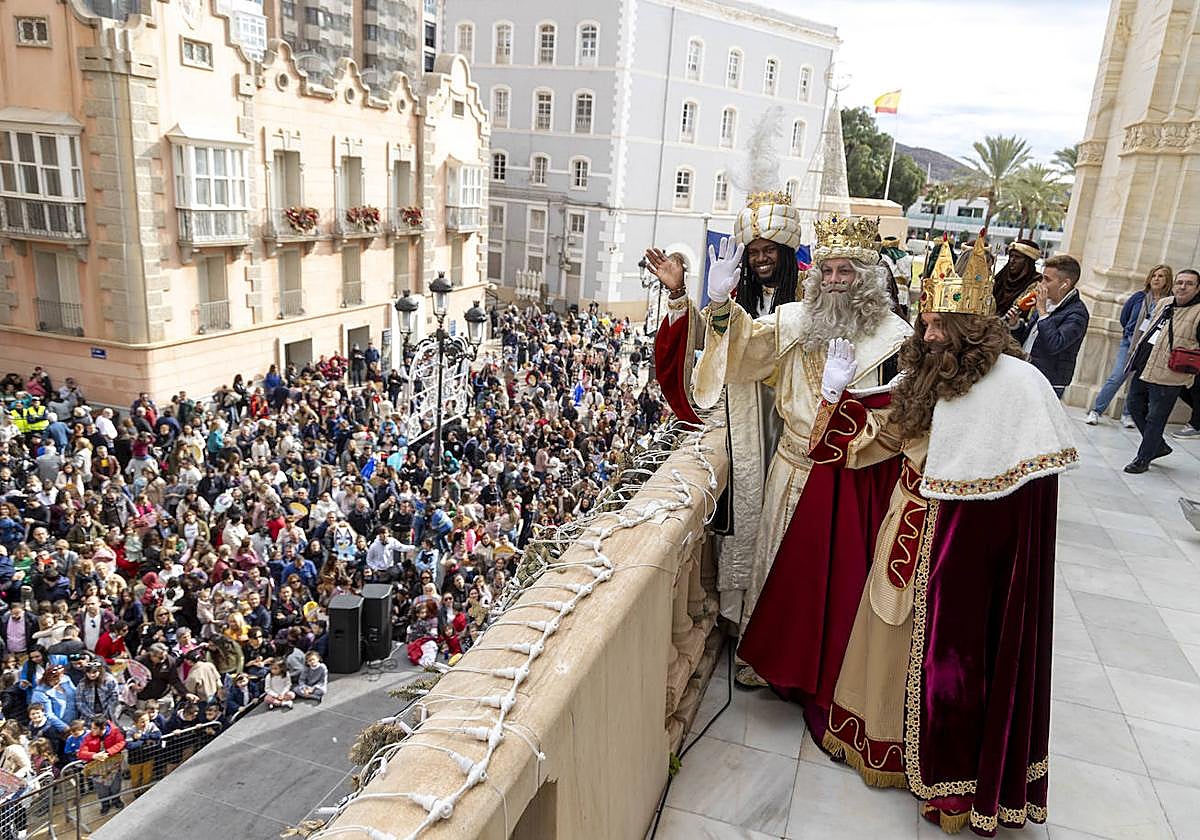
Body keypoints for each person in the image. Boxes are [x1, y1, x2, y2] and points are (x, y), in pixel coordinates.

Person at [811, 235, 1076, 833]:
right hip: (905, 531)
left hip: (969, 561)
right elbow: (871, 442)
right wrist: (836, 400)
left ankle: (950, 777)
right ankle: (885, 748)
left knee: (955, 665)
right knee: (887, 640)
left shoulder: (1019, 386)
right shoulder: (926, 382)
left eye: (938, 328)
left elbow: (1029, 501)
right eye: (924, 325)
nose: (926, 338)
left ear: (970, 331)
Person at [678, 215, 912, 695]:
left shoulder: (894, 338)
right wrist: (720, 305)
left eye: (844, 272)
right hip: (790, 467)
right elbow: (745, 351)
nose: (833, 282)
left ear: (865, 279)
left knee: (830, 577)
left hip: (848, 475)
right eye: (826, 272)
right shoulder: (795, 320)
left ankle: (825, 668)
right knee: (779, 566)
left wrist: (842, 404)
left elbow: (900, 417)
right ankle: (767, 659)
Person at [1122, 268, 1200, 474]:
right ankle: (1157, 445)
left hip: (1170, 373)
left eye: (1189, 283)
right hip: (1145, 364)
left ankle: (1143, 458)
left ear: (1197, 288)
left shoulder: (1198, 311)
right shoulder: (1164, 303)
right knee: (1134, 404)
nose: (1182, 286)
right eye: (1179, 282)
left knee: (1156, 417)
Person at [1086, 264, 1172, 427]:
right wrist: (1131, 333)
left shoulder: (1170, 302)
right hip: (1130, 343)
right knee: (1117, 377)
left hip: (1152, 347)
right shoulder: (1139, 297)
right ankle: (1096, 411)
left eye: (1161, 276)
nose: (1156, 279)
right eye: (1154, 275)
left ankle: (1128, 414)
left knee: (1138, 382)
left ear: (1167, 280)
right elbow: (1125, 317)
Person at [1006, 254, 1090, 398]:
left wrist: (1043, 312)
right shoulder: (1047, 301)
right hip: (1027, 373)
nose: (1041, 284)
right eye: (1042, 278)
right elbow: (1030, 338)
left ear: (1065, 284)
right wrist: (1015, 325)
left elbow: (1055, 344)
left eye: (1047, 279)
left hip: (1048, 382)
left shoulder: (1077, 314)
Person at [79, 714, 126, 814]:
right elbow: (81, 752)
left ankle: (116, 800)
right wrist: (94, 756)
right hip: (97, 770)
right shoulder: (88, 737)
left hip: (113, 767)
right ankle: (105, 805)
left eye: (95, 728)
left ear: (103, 728)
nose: (92, 731)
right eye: (91, 728)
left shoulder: (115, 731)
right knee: (101, 790)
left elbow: (121, 743)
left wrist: (108, 752)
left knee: (115, 786)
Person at [991, 238, 1042, 315]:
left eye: (1017, 257)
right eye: (1011, 256)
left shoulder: (1036, 284)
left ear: (1028, 262)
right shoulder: (1000, 278)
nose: (1012, 260)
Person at [124, 709, 161, 796]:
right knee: (135, 779)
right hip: (135, 761)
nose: (145, 724)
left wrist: (141, 737)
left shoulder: (151, 725)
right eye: (142, 722)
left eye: (147, 720)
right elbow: (130, 746)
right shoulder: (131, 731)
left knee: (147, 776)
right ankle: (136, 793)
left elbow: (158, 735)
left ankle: (145, 792)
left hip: (149, 757)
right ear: (135, 722)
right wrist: (145, 740)